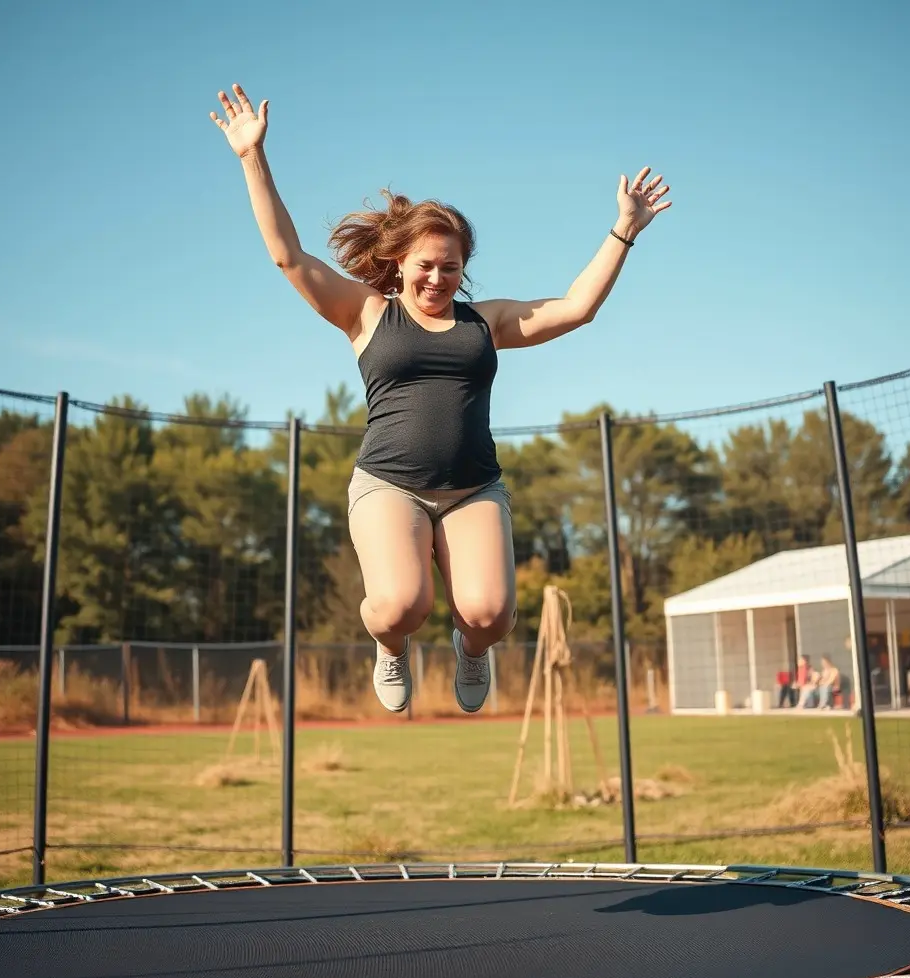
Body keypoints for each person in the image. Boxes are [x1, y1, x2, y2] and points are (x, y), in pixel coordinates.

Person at [210, 83, 672, 715]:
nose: (436, 276)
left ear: (463, 270)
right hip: (388, 483)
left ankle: (470, 649)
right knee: (402, 604)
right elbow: (289, 257)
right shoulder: (367, 313)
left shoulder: (485, 322)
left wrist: (623, 230)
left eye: (450, 267)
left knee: (489, 615)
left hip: (473, 487)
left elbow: (576, 308)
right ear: (400, 262)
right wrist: (251, 157)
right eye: (425, 264)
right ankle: (391, 646)